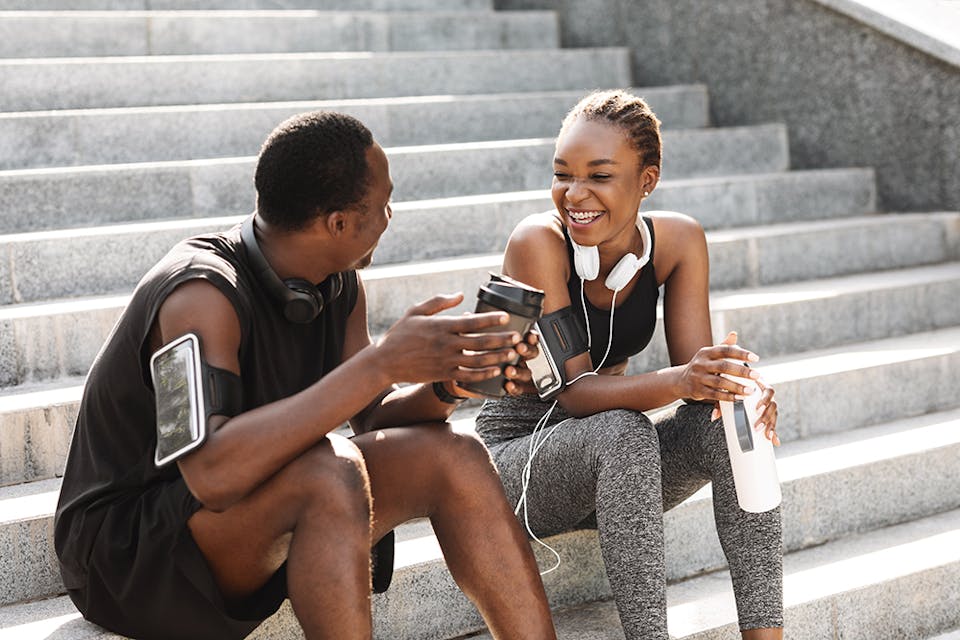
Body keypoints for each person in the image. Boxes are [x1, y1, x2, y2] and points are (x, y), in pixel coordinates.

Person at [54, 111, 557, 640]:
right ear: (337, 223)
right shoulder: (198, 297)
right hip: (129, 555)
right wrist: (380, 362)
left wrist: (446, 382)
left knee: (454, 455)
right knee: (328, 470)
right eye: (383, 204)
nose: (391, 215)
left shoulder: (337, 286)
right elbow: (210, 473)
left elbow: (372, 417)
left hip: (250, 509)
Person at [475, 90, 784, 639]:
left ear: (647, 180)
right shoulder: (537, 242)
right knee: (623, 431)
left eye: (599, 176)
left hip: (619, 478)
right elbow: (571, 394)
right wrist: (680, 379)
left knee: (729, 429)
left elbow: (696, 389)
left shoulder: (680, 240)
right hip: (518, 466)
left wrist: (733, 389)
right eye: (562, 174)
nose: (575, 194)